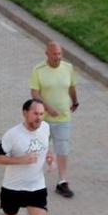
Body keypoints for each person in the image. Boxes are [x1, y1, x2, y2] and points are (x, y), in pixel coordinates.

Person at [29, 41, 79, 199]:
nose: (57, 57)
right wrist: (47, 107)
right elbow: (35, 93)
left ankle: (62, 181)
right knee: (39, 147)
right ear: (47, 54)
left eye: (59, 54)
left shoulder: (68, 68)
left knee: (63, 149)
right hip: (43, 118)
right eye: (54, 54)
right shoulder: (39, 70)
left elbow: (72, 87)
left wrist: (75, 100)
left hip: (64, 117)